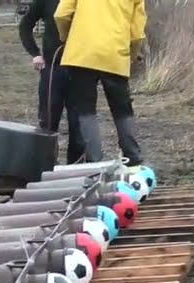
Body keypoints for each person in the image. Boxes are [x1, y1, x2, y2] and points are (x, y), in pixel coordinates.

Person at [53, 0, 146, 166]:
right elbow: (137, 34)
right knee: (122, 109)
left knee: (86, 110)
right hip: (115, 54)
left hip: (81, 54)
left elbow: (61, 15)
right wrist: (130, 56)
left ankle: (94, 161)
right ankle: (133, 157)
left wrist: (67, 38)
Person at [18, 0, 82, 164]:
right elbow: (25, 25)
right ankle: (45, 164)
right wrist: (35, 53)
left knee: (79, 124)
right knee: (48, 121)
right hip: (53, 68)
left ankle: (75, 167)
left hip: (81, 70)